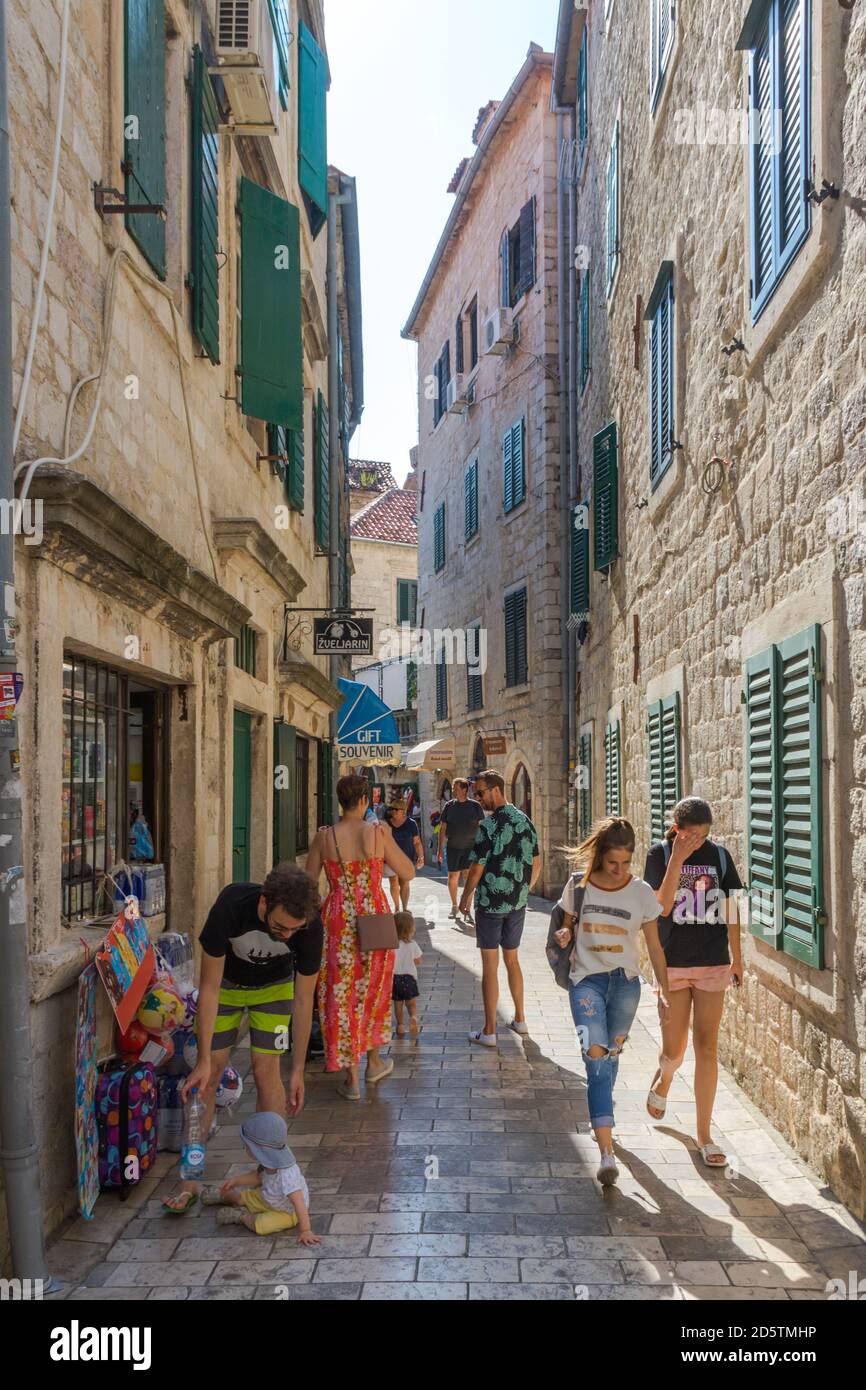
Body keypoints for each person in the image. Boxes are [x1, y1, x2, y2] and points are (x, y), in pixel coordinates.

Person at [163, 864, 323, 1215]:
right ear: (264, 904)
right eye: (280, 927)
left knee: (267, 1070)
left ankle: (273, 1176)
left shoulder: (309, 925)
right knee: (209, 1076)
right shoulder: (232, 905)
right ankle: (189, 1179)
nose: (286, 937)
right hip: (227, 989)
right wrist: (204, 1059)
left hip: (275, 989)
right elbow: (208, 988)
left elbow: (303, 999)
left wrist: (298, 1069)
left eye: (294, 931)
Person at [554, 816, 670, 1187]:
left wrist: (666, 991)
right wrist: (562, 934)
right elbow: (565, 927)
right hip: (585, 982)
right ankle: (606, 1152)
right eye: (612, 863)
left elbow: (654, 945)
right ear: (600, 857)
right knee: (595, 1056)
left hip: (625, 987)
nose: (619, 870)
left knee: (611, 1057)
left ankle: (602, 1120)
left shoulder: (641, 893)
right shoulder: (579, 886)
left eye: (626, 863)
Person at [643, 796, 744, 1167]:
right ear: (676, 828)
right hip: (672, 965)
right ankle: (665, 1078)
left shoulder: (719, 856)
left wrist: (738, 958)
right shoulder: (658, 855)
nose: (697, 842)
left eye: (703, 836)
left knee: (706, 1047)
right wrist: (677, 860)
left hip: (713, 962)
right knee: (675, 1050)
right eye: (691, 835)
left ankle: (704, 1135)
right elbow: (662, 907)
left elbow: (732, 906)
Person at [304, 774, 415, 1100]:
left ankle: (351, 1079)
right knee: (374, 991)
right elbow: (407, 872)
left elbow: (308, 884)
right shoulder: (378, 832)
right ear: (366, 800)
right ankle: (375, 1062)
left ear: (340, 801)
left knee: (341, 994)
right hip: (375, 918)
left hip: (337, 920)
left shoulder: (324, 838)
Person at [458, 770, 540, 1046]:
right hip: (517, 904)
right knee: (512, 960)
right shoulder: (524, 821)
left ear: (495, 789)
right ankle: (520, 1019)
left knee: (490, 966)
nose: (477, 798)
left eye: (480, 793)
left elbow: (477, 867)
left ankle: (490, 1031)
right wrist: (523, 892)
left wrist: (465, 896)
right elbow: (536, 863)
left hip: (491, 904)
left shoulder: (489, 827)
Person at [200, 1111, 320, 1244]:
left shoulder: (287, 1176)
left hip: (289, 1211)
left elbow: (299, 1204)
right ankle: (224, 1196)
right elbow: (259, 1177)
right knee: (244, 1197)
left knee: (263, 1225)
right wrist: (236, 1181)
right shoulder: (269, 1161)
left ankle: (240, 1216)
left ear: (259, 1149)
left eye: (247, 1146)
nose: (245, 1148)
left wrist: (305, 1230)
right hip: (269, 1197)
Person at [437, 777, 485, 924]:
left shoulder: (475, 806)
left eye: (455, 788)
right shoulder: (449, 806)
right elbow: (443, 828)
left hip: (470, 848)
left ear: (464, 790)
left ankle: (467, 908)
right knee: (452, 878)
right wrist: (439, 849)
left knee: (468, 877)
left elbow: (481, 827)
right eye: (453, 788)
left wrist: (482, 847)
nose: (453, 791)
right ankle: (454, 905)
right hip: (453, 847)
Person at [384, 802, 425, 909]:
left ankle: (405, 907)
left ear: (403, 812)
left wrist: (421, 857)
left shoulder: (411, 824)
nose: (393, 811)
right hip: (390, 858)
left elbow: (416, 842)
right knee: (393, 882)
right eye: (392, 809)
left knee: (405, 883)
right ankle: (397, 907)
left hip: (406, 859)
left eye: (396, 809)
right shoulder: (387, 823)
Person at [392, 910, 423, 1037]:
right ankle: (413, 1017)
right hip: (409, 978)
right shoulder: (413, 944)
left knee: (398, 1003)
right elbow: (418, 960)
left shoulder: (391, 945)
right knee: (411, 1003)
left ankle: (400, 1025)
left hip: (395, 979)